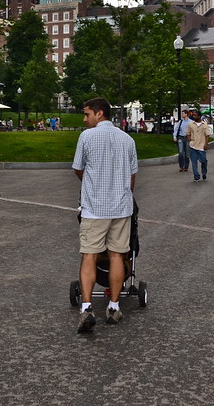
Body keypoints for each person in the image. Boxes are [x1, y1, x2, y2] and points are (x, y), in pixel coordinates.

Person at [72, 97, 138, 334]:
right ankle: (113, 306)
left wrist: (91, 185)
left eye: (87, 114)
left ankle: (88, 308)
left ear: (100, 114)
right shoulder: (128, 139)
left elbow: (78, 168)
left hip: (95, 208)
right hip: (121, 208)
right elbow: (132, 175)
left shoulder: (86, 137)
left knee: (89, 256)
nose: (84, 118)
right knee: (117, 256)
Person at [186, 114, 210, 182]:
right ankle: (196, 176)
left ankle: (204, 173)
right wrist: (190, 141)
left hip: (201, 146)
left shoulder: (204, 125)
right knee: (194, 162)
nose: (194, 117)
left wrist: (206, 144)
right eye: (194, 116)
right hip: (193, 145)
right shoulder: (191, 125)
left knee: (203, 161)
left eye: (195, 115)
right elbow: (188, 133)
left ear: (199, 116)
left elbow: (207, 135)